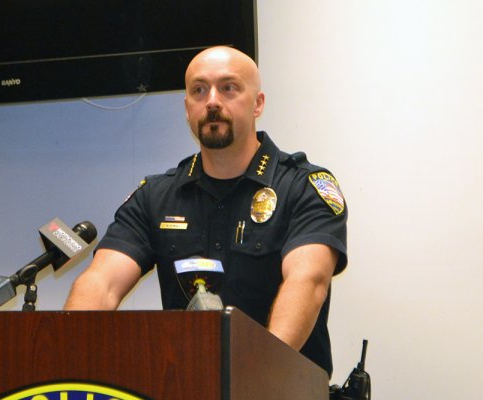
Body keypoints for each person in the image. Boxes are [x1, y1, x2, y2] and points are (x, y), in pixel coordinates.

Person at [64, 46, 347, 377]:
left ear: (257, 104)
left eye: (228, 88)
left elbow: (308, 281)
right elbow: (102, 283)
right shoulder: (156, 196)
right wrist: (69, 357)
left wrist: (258, 379)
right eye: (199, 90)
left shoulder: (303, 186)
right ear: (187, 109)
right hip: (183, 385)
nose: (212, 101)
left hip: (277, 387)